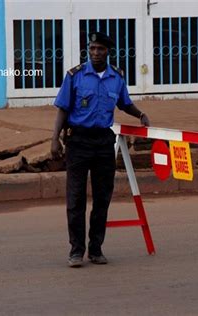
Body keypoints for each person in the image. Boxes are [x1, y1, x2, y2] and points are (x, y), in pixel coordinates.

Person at [51, 32, 150, 268]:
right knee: (75, 200)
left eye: (100, 49)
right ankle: (76, 251)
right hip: (78, 142)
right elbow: (63, 109)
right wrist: (54, 139)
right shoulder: (75, 76)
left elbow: (124, 103)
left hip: (104, 143)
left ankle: (96, 249)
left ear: (108, 52)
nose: (95, 53)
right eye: (92, 48)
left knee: (102, 199)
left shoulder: (116, 77)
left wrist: (141, 115)